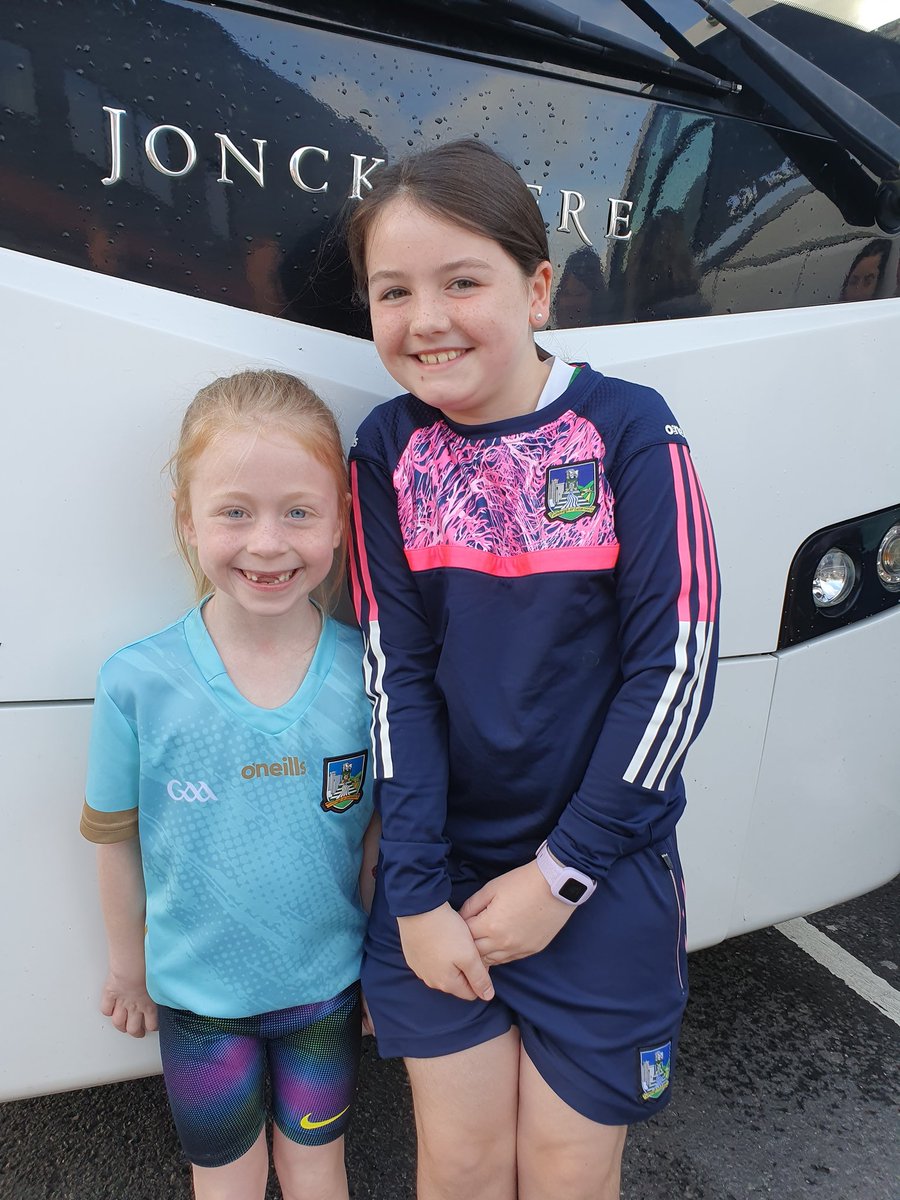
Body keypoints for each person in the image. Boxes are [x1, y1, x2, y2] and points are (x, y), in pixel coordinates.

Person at [345, 140, 720, 1200]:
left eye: (464, 281)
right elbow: (395, 679)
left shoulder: (630, 430)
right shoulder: (385, 449)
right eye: (393, 292)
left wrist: (561, 876)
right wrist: (413, 894)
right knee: (460, 1164)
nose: (428, 320)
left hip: (597, 884)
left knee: (566, 1169)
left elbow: (676, 673)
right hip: (442, 884)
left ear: (539, 287)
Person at [80, 369, 378, 1200]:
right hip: (199, 1008)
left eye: (298, 511)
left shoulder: (368, 675)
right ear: (189, 522)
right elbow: (114, 841)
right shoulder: (137, 682)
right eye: (235, 511)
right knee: (226, 1179)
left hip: (325, 993)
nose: (268, 543)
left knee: (319, 1169)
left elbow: (379, 840)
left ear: (340, 520)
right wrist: (127, 967)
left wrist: (382, 968)